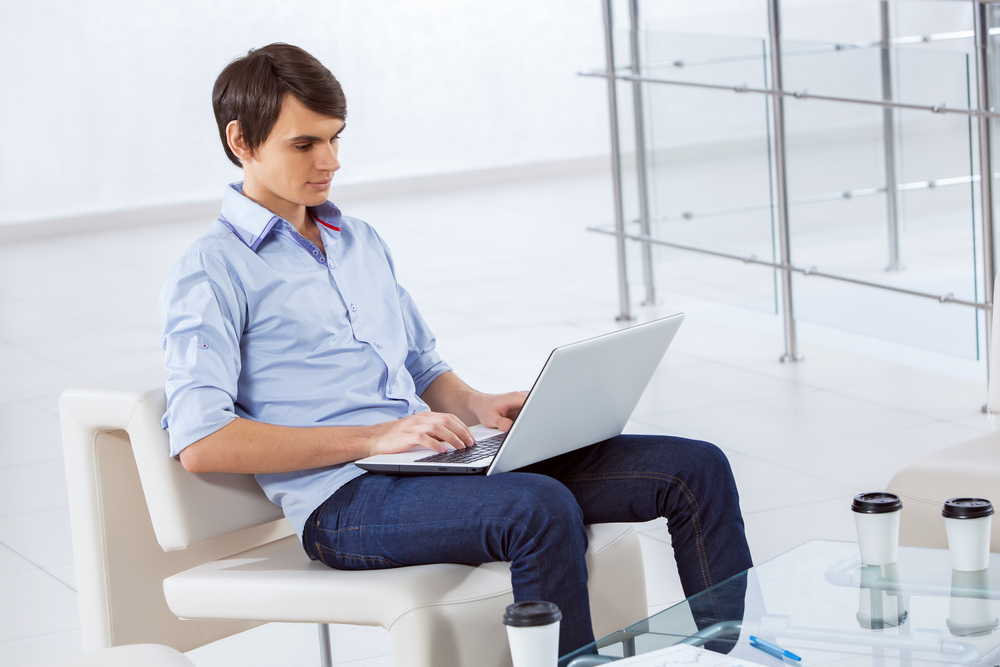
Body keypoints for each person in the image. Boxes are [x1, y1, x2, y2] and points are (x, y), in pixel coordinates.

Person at [160, 42, 753, 657]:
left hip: (427, 466)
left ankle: (729, 654)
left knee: (695, 469)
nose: (330, 160)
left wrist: (479, 404)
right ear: (241, 141)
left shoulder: (357, 240)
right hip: (344, 501)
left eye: (336, 138)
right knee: (538, 507)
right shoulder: (211, 270)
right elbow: (203, 444)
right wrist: (375, 438)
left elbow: (421, 365)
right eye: (304, 144)